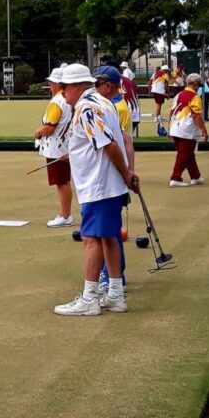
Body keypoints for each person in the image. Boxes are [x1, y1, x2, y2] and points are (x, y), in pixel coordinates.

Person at [53, 63, 139, 317]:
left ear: (77, 86)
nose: (62, 93)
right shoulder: (104, 102)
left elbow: (109, 145)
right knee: (108, 237)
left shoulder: (86, 107)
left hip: (98, 184)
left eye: (64, 88)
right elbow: (113, 142)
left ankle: (90, 298)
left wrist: (126, 173)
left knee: (91, 239)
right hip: (106, 183)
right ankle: (115, 295)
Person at [93, 65, 136, 295]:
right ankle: (113, 273)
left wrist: (128, 173)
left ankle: (112, 275)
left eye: (97, 85)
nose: (95, 89)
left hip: (111, 174)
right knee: (109, 227)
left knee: (108, 228)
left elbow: (123, 142)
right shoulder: (113, 104)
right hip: (115, 171)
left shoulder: (114, 107)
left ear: (108, 86)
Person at [34, 67, 74, 228]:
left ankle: (65, 216)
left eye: (51, 82)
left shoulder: (57, 101)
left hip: (57, 147)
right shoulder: (67, 99)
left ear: (58, 83)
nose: (49, 85)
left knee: (62, 182)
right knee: (63, 181)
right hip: (64, 145)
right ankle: (65, 214)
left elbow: (49, 127)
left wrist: (38, 132)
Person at [168, 72, 209, 186]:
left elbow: (171, 112)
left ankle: (195, 176)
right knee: (184, 155)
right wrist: (204, 131)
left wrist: (169, 128)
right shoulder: (195, 97)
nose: (198, 87)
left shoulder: (178, 95)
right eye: (198, 85)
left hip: (175, 129)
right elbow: (196, 116)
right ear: (195, 84)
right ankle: (175, 178)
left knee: (189, 154)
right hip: (187, 130)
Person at [119, 66, 141, 136]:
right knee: (127, 140)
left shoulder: (117, 80)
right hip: (135, 114)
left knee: (122, 141)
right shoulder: (129, 81)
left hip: (126, 114)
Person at [150, 64, 170, 135]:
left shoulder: (155, 73)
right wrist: (168, 94)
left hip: (154, 90)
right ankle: (156, 117)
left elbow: (149, 82)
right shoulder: (165, 75)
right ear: (165, 70)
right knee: (159, 104)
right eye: (167, 70)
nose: (168, 72)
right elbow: (166, 85)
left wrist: (150, 91)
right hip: (160, 91)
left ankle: (159, 116)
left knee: (159, 104)